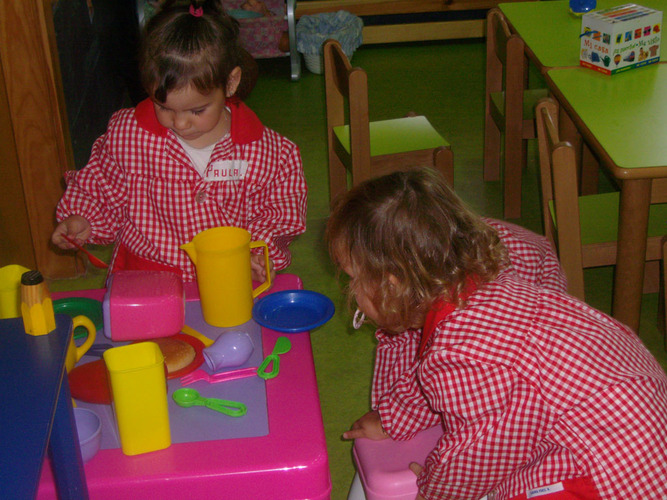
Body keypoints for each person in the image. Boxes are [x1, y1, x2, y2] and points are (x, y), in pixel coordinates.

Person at [327, 169, 667, 500]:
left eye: (353, 278)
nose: (351, 290)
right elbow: (449, 382)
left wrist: (434, 491)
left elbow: (473, 458)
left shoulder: (464, 354)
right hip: (630, 413)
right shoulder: (477, 283)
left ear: (393, 284)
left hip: (617, 473)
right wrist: (394, 417)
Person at [52, 0, 306, 283]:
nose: (181, 123)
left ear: (231, 82)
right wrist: (82, 218)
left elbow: (279, 212)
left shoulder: (271, 153)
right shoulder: (128, 135)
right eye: (164, 107)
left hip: (227, 281)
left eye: (197, 110)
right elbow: (101, 187)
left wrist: (257, 253)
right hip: (145, 280)